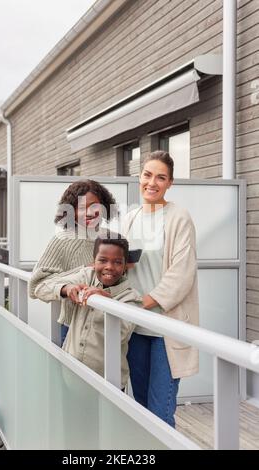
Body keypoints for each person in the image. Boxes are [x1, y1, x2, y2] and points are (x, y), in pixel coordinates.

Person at [122, 150, 199, 428]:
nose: (152, 182)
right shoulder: (130, 218)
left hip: (164, 329)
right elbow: (118, 264)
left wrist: (144, 302)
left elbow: (182, 273)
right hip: (136, 329)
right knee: (140, 409)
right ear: (139, 177)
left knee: (160, 413)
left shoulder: (179, 217)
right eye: (147, 175)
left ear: (170, 183)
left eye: (160, 177)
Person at [32, 232, 141, 389]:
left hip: (108, 385)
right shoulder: (85, 276)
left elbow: (121, 332)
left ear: (125, 266)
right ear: (93, 262)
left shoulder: (131, 298)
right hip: (70, 376)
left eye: (117, 262)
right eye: (102, 260)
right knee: (69, 413)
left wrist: (106, 301)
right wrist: (65, 288)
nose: (109, 267)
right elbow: (40, 288)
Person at [29, 179, 118, 345]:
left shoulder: (114, 238)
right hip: (74, 328)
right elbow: (36, 285)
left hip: (110, 325)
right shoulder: (62, 240)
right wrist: (66, 287)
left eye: (94, 206)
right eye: (82, 207)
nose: (89, 212)